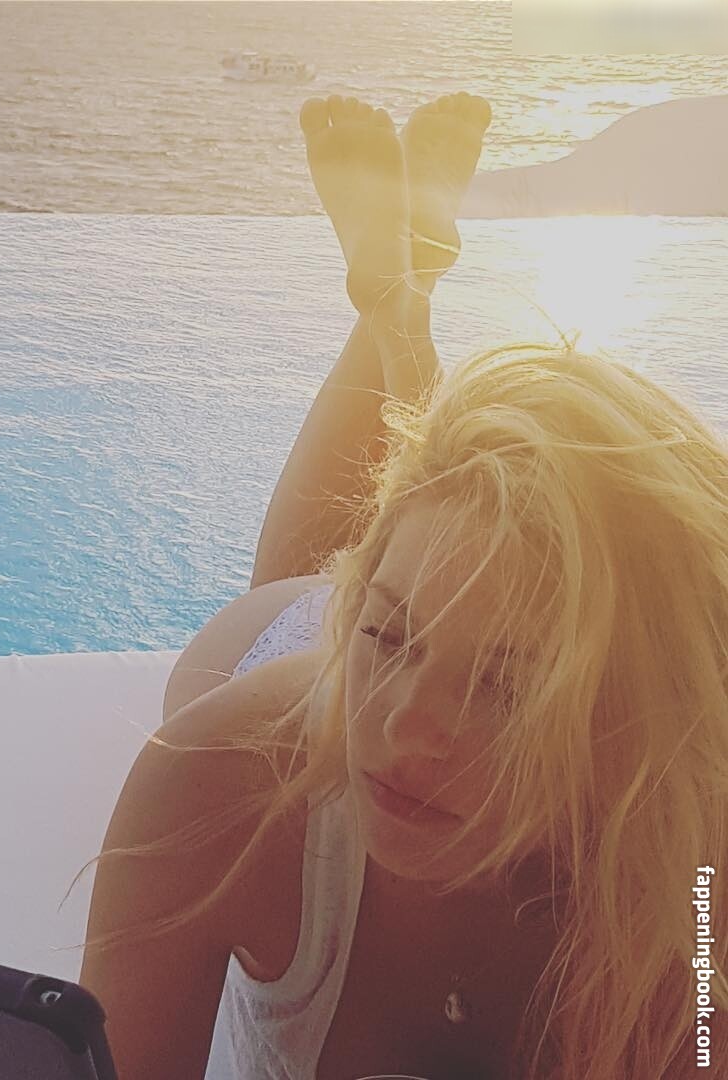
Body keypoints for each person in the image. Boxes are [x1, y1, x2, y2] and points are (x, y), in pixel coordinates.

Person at [70, 92, 728, 1080]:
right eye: (386, 633)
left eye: (507, 687)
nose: (407, 729)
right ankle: (394, 314)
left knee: (443, 545)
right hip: (289, 650)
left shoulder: (694, 876)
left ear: (640, 709)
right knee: (316, 574)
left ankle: (401, 309)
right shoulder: (215, 779)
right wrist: (386, 641)